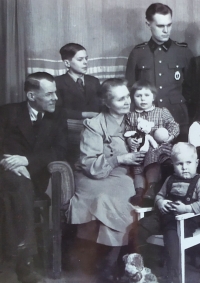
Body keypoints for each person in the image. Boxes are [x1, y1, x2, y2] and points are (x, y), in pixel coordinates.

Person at [68, 78, 145, 280]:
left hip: (122, 175)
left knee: (117, 198)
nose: (128, 101)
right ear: (107, 103)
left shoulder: (137, 120)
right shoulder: (94, 125)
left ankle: (109, 262)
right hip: (92, 174)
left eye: (128, 96)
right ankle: (106, 264)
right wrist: (119, 158)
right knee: (102, 197)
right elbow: (88, 163)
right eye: (121, 99)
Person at [0, 72, 68, 283]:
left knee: (19, 187)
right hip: (6, 174)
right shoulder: (8, 113)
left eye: (55, 93)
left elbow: (61, 151)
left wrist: (27, 161)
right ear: (31, 96)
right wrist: (6, 162)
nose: (55, 98)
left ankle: (17, 259)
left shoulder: (57, 116)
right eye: (49, 94)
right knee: (16, 183)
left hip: (37, 176)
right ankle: (24, 262)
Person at [130, 143, 200, 283]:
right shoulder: (170, 179)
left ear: (196, 163)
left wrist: (186, 208)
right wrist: (161, 203)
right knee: (140, 226)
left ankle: (173, 275)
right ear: (173, 164)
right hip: (164, 215)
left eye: (188, 163)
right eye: (179, 164)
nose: (184, 167)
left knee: (171, 234)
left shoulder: (198, 181)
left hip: (184, 220)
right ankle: (139, 265)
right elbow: (160, 196)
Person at [125, 3, 193, 141]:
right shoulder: (138, 53)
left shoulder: (183, 52)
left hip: (179, 119)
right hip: (146, 122)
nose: (166, 30)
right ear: (148, 24)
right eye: (160, 26)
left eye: (169, 25)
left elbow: (191, 91)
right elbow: (130, 89)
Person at [125, 80, 179, 206]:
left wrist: (169, 137)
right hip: (139, 149)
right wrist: (130, 140)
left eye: (146, 95)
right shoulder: (130, 116)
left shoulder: (161, 112)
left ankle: (151, 187)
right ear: (133, 98)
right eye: (138, 96)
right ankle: (139, 192)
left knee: (152, 155)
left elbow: (174, 125)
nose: (143, 99)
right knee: (137, 167)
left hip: (159, 148)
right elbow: (127, 131)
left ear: (153, 97)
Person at [55, 43, 101, 119]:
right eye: (80, 59)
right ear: (67, 63)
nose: (85, 62)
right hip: (69, 127)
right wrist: (84, 114)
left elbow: (102, 105)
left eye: (86, 58)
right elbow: (57, 110)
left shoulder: (94, 81)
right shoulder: (58, 82)